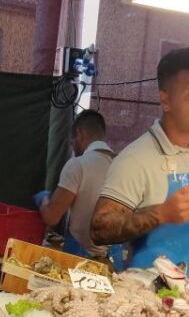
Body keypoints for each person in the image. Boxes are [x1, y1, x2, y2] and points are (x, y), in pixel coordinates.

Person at [90, 47, 189, 278]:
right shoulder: (136, 158)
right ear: (165, 100)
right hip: (149, 293)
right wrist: (162, 213)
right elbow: (99, 227)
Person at [34, 110, 125, 270]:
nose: (74, 148)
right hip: (113, 262)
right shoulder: (123, 166)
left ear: (79, 133)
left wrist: (43, 199)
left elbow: (52, 217)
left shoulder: (78, 165)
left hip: (79, 262)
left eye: (73, 142)